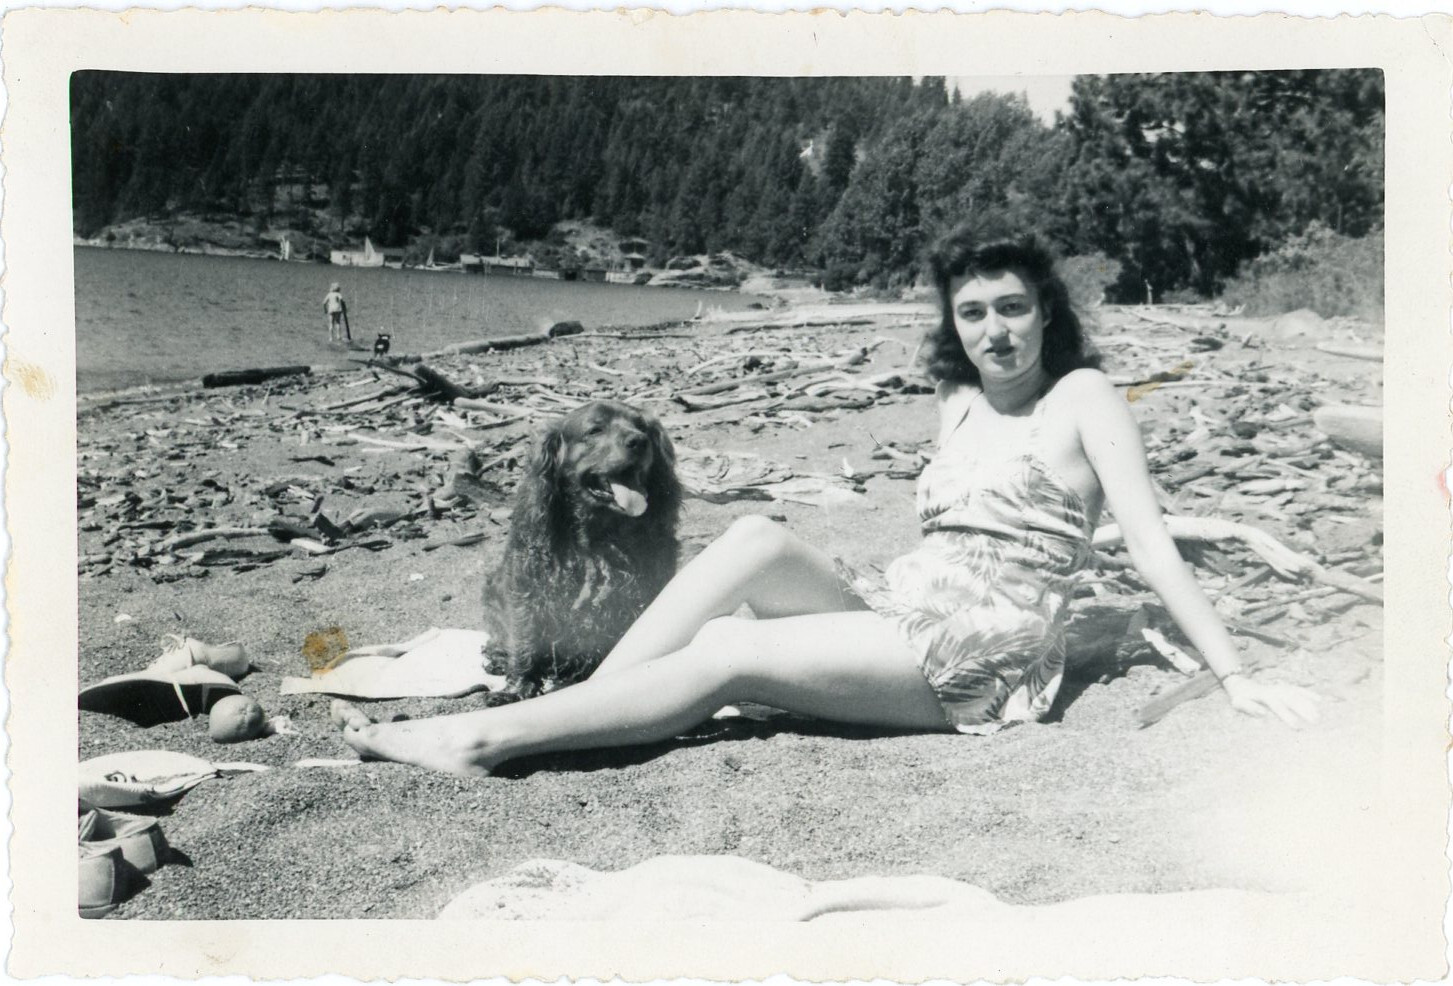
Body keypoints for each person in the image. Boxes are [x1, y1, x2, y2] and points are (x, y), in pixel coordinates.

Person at [330, 226, 1320, 776]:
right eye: (972, 312)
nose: (994, 331)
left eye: (1013, 308)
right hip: (900, 610)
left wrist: (1233, 674)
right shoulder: (956, 401)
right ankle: (577, 709)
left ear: (1046, 312)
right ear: (954, 324)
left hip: (985, 647)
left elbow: (1145, 540)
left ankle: (485, 739)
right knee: (752, 538)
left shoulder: (1084, 396)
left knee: (729, 648)